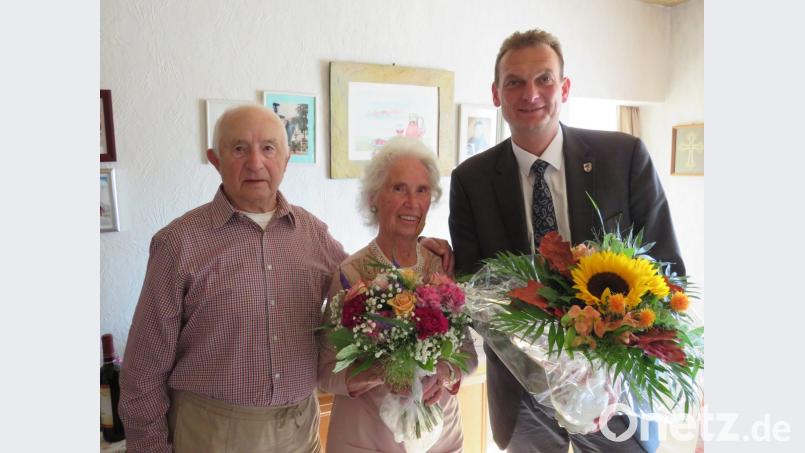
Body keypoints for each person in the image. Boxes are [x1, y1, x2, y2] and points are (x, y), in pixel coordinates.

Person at [119, 105, 453, 453]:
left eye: (268, 148)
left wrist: (415, 244)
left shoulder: (312, 233)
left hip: (298, 430)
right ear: (215, 159)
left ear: (286, 158)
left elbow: (369, 283)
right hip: (212, 433)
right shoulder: (179, 243)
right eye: (238, 149)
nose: (255, 162)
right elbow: (143, 369)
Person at [449, 29, 685, 453]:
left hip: (618, 390)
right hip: (523, 396)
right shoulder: (471, 180)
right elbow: (473, 283)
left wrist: (619, 341)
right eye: (514, 82)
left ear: (565, 87)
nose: (531, 93)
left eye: (544, 79)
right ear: (496, 94)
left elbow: (667, 268)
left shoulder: (624, 157)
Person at [318, 137, 478, 452]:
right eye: (399, 188)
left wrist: (444, 372)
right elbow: (325, 373)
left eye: (421, 190)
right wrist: (382, 373)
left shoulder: (442, 266)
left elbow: (469, 356)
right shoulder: (350, 274)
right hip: (366, 439)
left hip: (441, 437)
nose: (412, 202)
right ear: (374, 197)